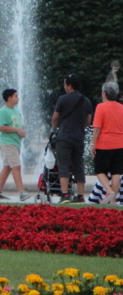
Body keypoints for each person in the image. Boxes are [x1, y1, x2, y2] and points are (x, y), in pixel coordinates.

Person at [51, 74, 93, 202]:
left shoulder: (62, 99)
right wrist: (80, 127)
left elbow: (55, 117)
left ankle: (65, 195)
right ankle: (80, 195)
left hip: (64, 136)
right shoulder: (86, 101)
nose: (64, 87)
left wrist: (53, 129)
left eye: (65, 84)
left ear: (69, 86)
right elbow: (89, 120)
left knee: (63, 165)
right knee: (78, 165)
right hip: (79, 137)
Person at [88, 81, 123, 205]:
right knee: (116, 172)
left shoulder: (101, 107)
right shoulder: (121, 108)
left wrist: (92, 144)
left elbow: (97, 128)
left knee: (99, 170)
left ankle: (108, 191)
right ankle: (113, 201)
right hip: (119, 144)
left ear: (104, 93)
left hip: (104, 144)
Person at [0, 88, 27, 201]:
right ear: (9, 98)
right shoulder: (3, 111)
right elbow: (1, 127)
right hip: (8, 142)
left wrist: (21, 130)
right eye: (16, 96)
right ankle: (22, 192)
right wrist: (17, 130)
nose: (18, 98)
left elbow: (18, 124)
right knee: (16, 166)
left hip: (16, 142)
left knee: (7, 167)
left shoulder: (16, 110)